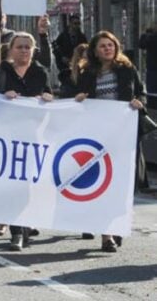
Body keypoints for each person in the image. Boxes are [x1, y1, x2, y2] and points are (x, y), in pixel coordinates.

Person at [73, 30, 146, 253]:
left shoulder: (127, 69)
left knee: (121, 185)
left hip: (123, 135)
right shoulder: (87, 73)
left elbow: (141, 93)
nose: (108, 49)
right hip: (97, 137)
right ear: (95, 51)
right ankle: (106, 234)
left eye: (111, 45)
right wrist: (79, 99)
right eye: (103, 46)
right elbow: (78, 96)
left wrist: (138, 102)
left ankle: (115, 226)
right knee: (103, 183)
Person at [0, 31, 53, 251]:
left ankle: (23, 227)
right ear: (11, 50)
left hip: (31, 137)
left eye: (27, 47)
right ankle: (16, 232)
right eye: (19, 47)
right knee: (11, 184)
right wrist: (3, 96)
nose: (23, 51)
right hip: (6, 137)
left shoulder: (40, 73)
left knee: (27, 185)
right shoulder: (2, 72)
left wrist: (48, 98)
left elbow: (49, 98)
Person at [53, 15, 88, 89]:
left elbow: (85, 48)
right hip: (65, 64)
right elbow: (56, 48)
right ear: (70, 24)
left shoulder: (81, 36)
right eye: (75, 23)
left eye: (78, 23)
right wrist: (62, 57)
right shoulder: (63, 36)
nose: (77, 26)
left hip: (78, 63)